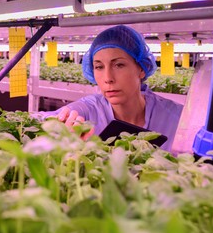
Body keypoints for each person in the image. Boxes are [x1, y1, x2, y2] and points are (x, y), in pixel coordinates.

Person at [43, 25, 183, 151]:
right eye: (99, 67)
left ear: (141, 68)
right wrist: (64, 119)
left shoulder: (177, 117)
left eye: (119, 65)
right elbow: (45, 119)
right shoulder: (89, 110)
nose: (108, 78)